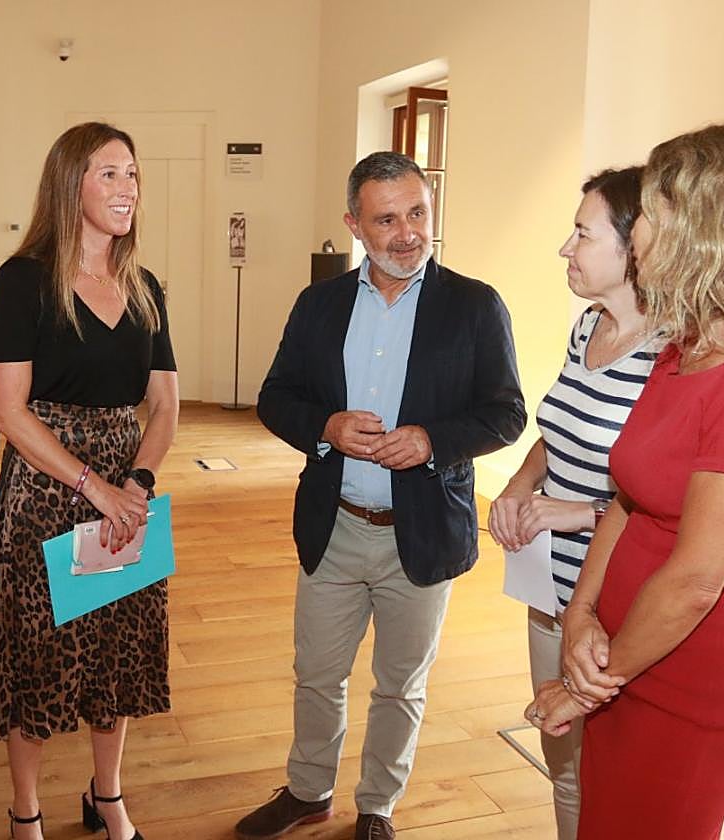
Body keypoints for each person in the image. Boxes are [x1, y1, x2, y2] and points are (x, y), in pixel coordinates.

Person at [526, 119, 724, 839]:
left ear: (706, 229)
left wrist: (586, 686)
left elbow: (694, 582)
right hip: (619, 660)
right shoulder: (687, 348)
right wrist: (582, 615)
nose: (638, 237)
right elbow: (627, 500)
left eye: (651, 214)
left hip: (687, 687)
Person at [241, 151, 526, 840]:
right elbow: (275, 397)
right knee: (317, 674)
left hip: (421, 534)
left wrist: (432, 439)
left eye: (418, 213)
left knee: (401, 684)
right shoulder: (319, 305)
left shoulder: (474, 305)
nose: (407, 234)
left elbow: (506, 413)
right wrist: (327, 427)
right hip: (335, 526)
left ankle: (378, 806)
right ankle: (309, 791)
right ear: (354, 225)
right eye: (387, 220)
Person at [0, 122, 179, 840]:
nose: (127, 188)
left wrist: (138, 484)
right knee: (40, 657)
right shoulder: (23, 281)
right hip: (50, 488)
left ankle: (108, 795)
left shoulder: (145, 287)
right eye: (109, 173)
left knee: (117, 652)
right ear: (71, 184)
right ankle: (25, 809)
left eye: (132, 174)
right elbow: (9, 411)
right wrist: (97, 488)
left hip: (128, 491)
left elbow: (165, 405)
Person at [487, 166, 656, 839]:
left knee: (614, 776)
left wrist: (579, 512)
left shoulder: (674, 354)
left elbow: (672, 501)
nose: (566, 247)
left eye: (583, 234)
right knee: (564, 765)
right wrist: (519, 485)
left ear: (634, 246)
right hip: (551, 587)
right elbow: (556, 433)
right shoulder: (588, 327)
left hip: (618, 605)